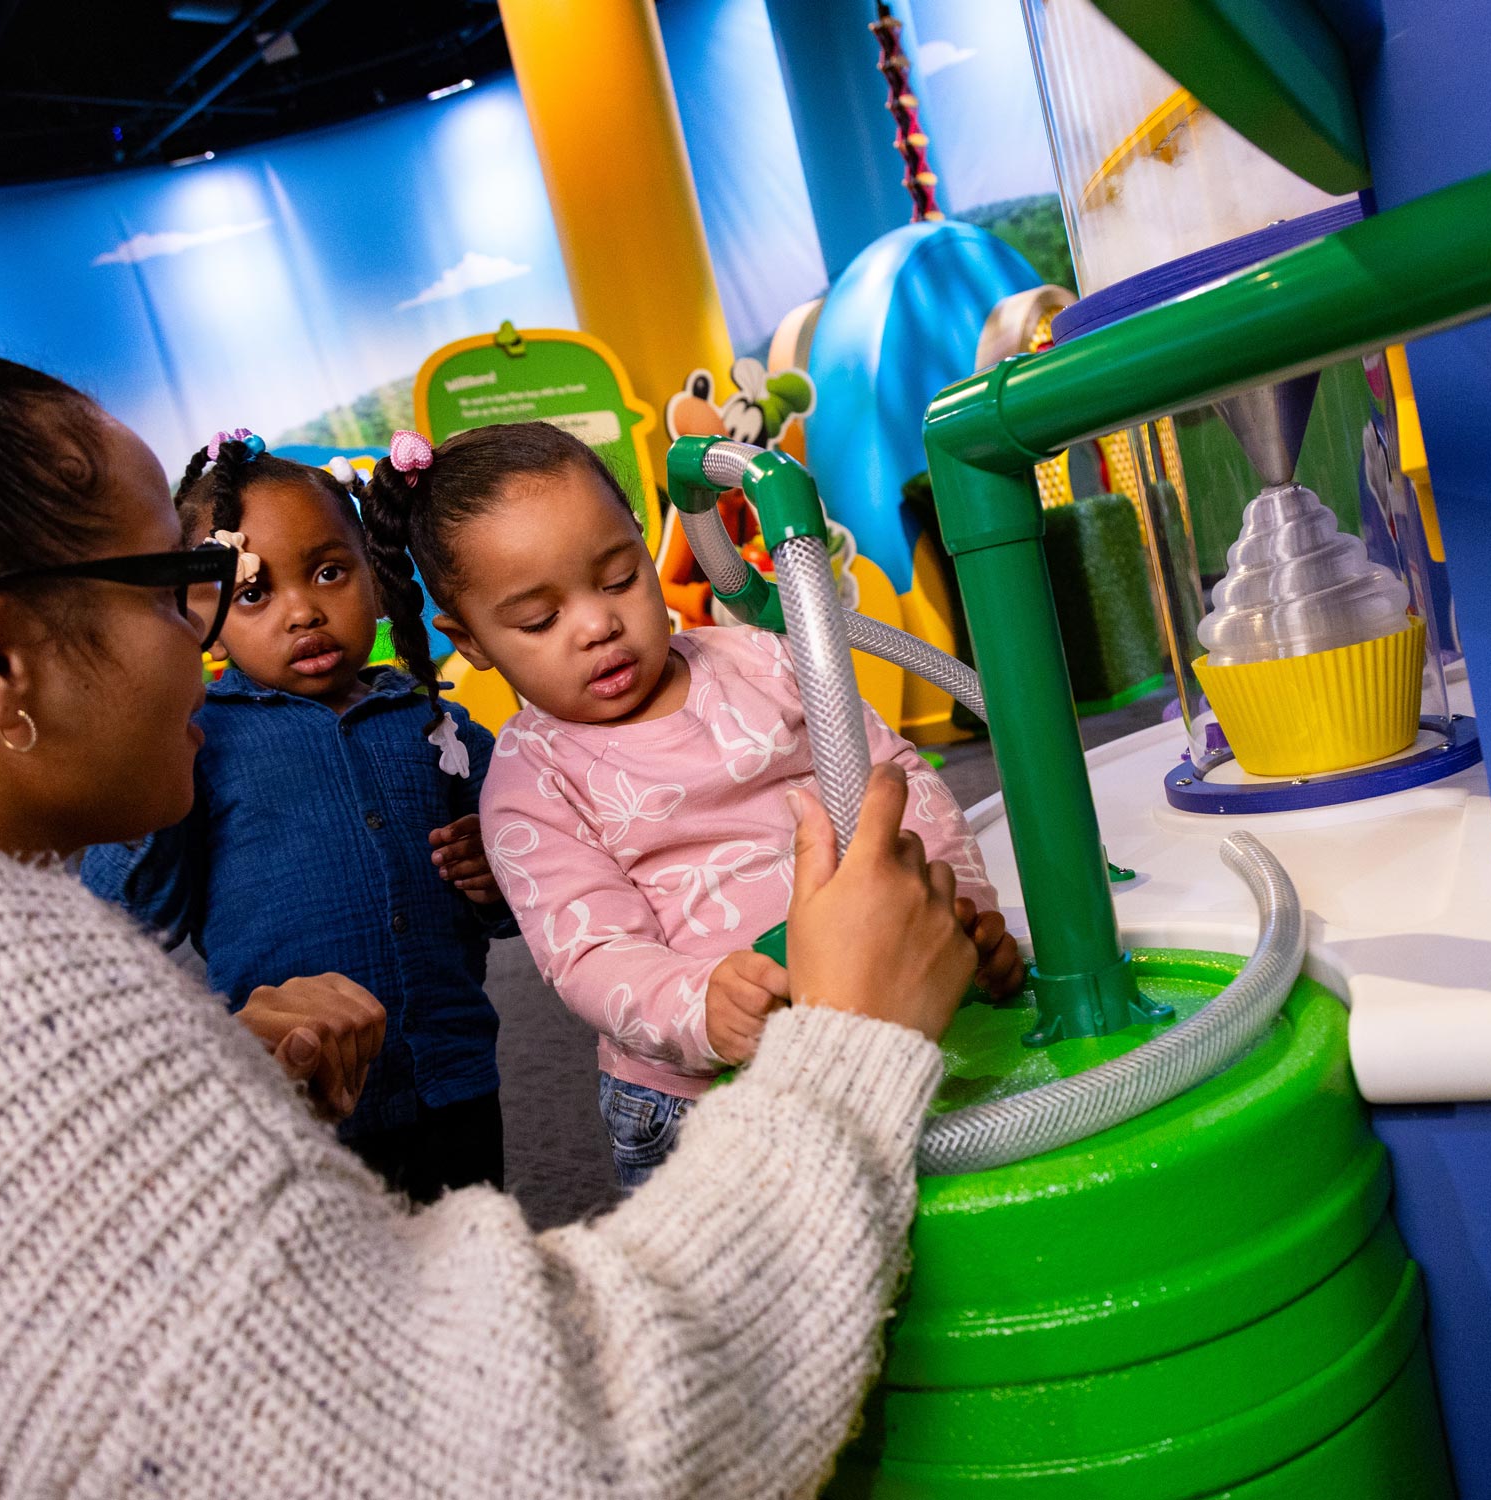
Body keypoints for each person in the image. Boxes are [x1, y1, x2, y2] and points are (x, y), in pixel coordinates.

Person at [0, 128, 979, 1497]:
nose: (220, 631)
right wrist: (846, 1047)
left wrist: (204, 1084)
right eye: (189, 580)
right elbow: (516, 1460)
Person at [359, 423, 1025, 1186]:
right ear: (468, 639)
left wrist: (957, 908)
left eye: (618, 579)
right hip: (703, 1095)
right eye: (539, 620)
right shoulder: (531, 782)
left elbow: (894, 779)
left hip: (886, 1006)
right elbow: (591, 955)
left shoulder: (765, 660)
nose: (597, 624)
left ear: (647, 548)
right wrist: (700, 1005)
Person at [82, 432, 510, 1203]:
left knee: (485, 1253)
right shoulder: (199, 738)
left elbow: (525, 899)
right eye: (254, 593)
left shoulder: (434, 723)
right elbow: (131, 912)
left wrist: (497, 870)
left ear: (374, 578)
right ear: (198, 614)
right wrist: (144, 750)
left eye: (328, 572)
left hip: (453, 1074)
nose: (303, 611)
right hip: (303, 1087)